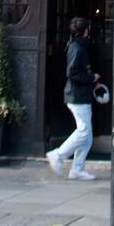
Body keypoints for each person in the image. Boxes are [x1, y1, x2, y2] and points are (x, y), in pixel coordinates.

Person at [46, 16, 100, 182]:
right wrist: (91, 78)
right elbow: (73, 73)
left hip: (79, 94)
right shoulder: (77, 49)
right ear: (85, 31)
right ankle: (58, 154)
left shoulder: (77, 46)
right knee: (84, 131)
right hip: (77, 95)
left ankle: (78, 168)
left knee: (87, 135)